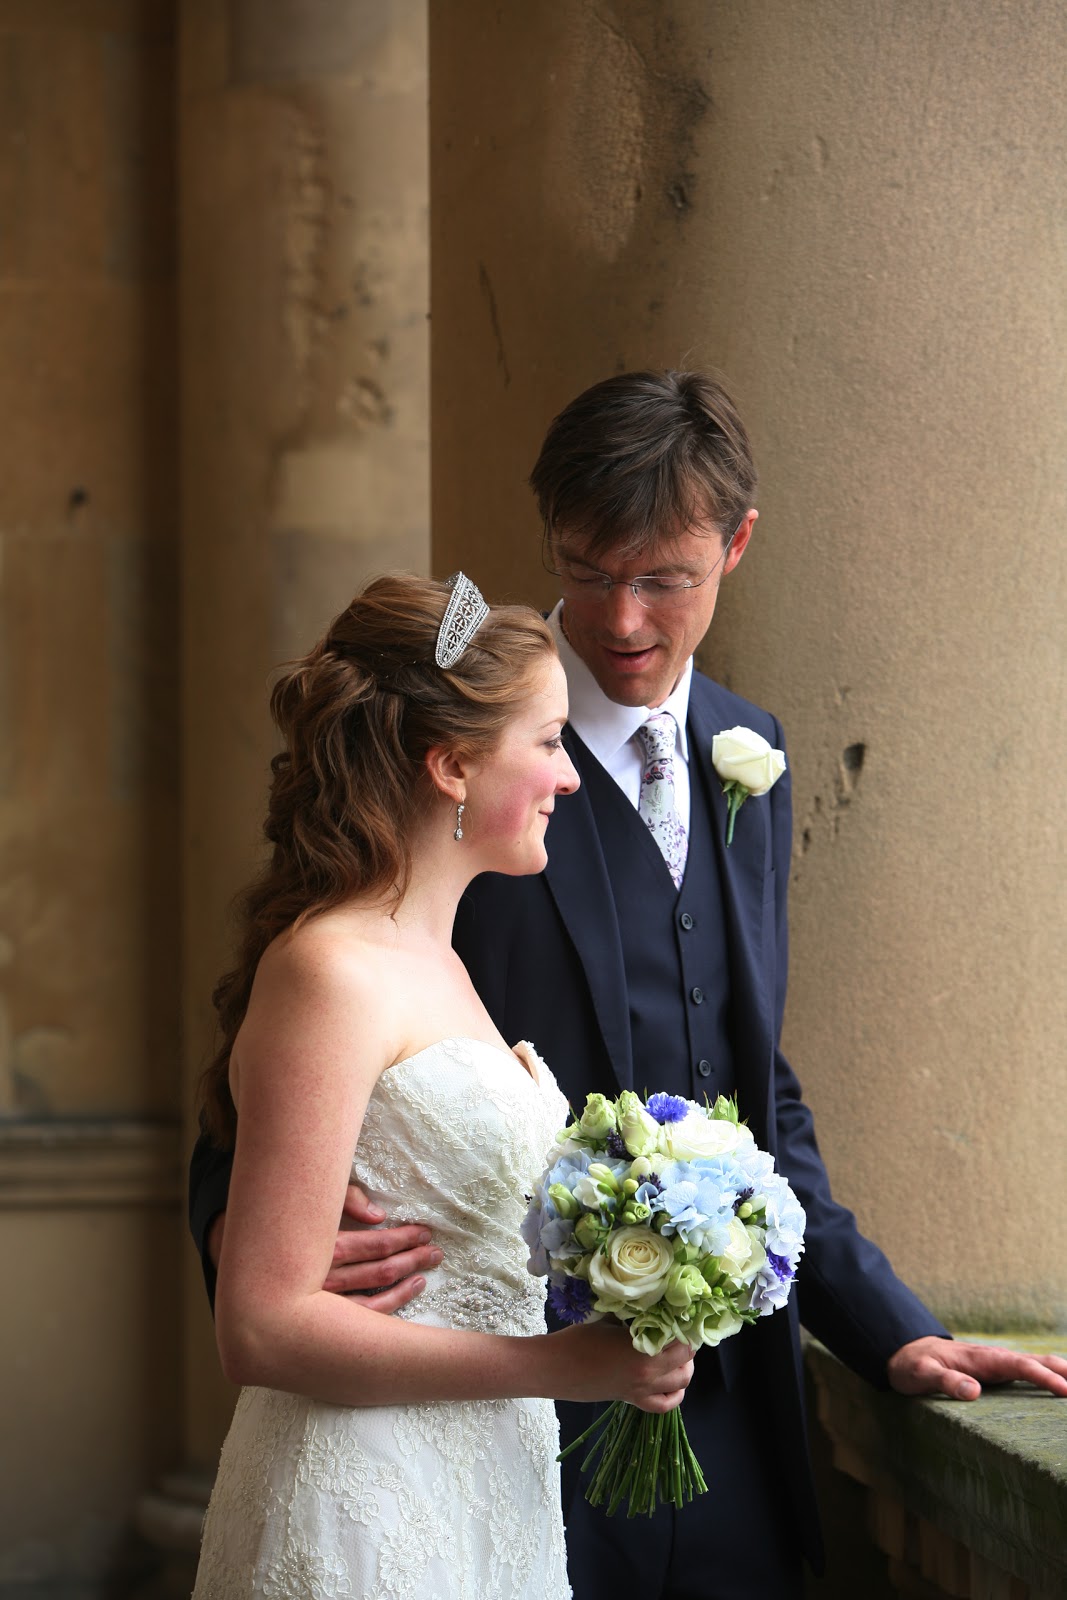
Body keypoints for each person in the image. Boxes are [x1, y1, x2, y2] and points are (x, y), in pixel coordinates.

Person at [191, 375, 1067, 1600]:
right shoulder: (449, 788)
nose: (620, 614)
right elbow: (280, 1048)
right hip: (484, 1418)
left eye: (662, 577)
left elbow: (755, 1093)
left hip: (724, 1430)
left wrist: (891, 1328)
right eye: (588, 568)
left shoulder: (746, 758)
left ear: (733, 546)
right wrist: (238, 1223)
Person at [188, 570, 696, 1600]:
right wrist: (561, 1365)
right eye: (547, 742)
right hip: (362, 1499)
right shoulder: (330, 969)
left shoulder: (445, 966)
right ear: (451, 764)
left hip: (481, 1482)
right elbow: (261, 1324)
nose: (568, 777)